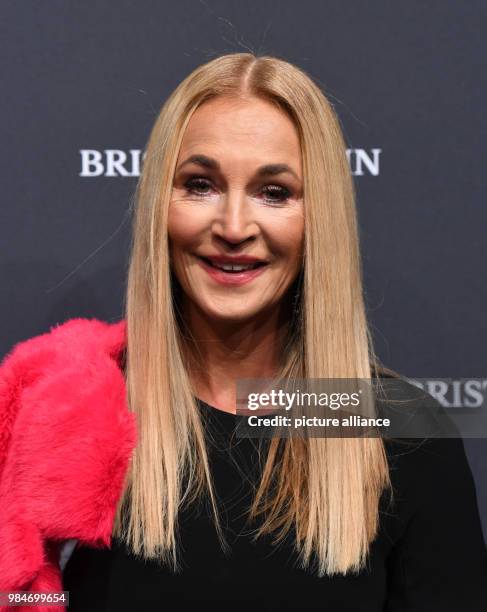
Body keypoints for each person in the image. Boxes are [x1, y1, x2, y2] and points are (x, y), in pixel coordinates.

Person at [0, 52, 486, 611]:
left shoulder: (398, 428)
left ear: (318, 218)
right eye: (200, 184)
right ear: (161, 202)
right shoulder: (77, 409)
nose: (233, 227)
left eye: (274, 192)